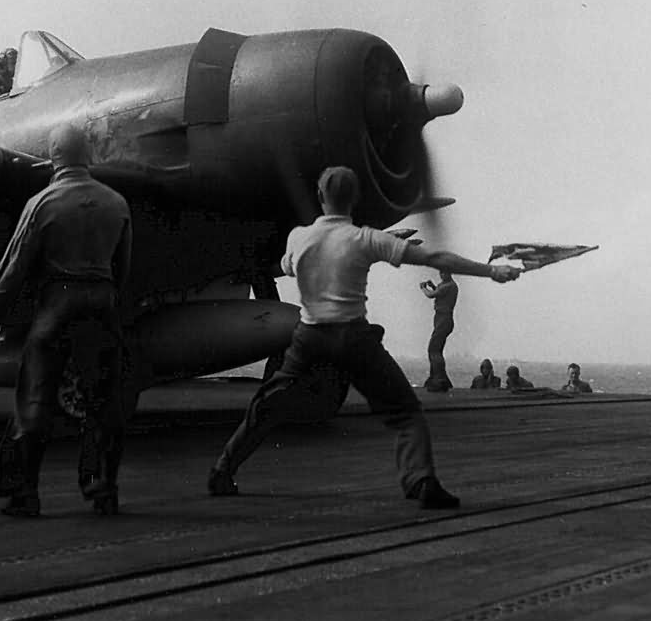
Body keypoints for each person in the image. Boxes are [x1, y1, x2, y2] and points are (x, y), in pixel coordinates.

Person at [207, 165, 519, 508]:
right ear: (356, 199)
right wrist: (492, 270)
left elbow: (286, 266)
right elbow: (435, 256)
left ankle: (223, 469)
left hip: (308, 338)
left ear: (320, 196)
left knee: (265, 406)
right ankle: (421, 480)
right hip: (354, 338)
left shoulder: (299, 237)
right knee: (405, 413)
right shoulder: (366, 238)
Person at [0, 123, 132, 517]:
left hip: (56, 306)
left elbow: (14, 265)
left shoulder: (42, 203)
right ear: (88, 155)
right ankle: (103, 488)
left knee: (34, 400)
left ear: (54, 157)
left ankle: (22, 493)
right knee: (104, 401)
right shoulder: (117, 203)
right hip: (102, 302)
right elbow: (124, 267)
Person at [420, 270, 458, 391]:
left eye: (444, 272)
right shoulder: (447, 285)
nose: (442, 275)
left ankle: (439, 378)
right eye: (441, 272)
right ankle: (437, 376)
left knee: (433, 349)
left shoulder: (449, 285)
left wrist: (423, 288)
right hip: (441, 318)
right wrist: (433, 286)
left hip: (444, 318)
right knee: (437, 350)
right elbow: (440, 294)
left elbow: (431, 295)